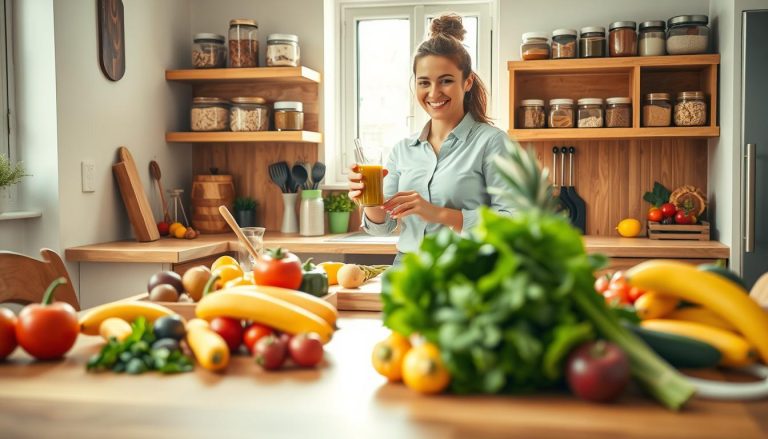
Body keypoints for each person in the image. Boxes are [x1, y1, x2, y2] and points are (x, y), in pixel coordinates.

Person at [347, 14, 515, 265]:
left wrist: (438, 214)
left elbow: (512, 221)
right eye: (424, 82)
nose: (434, 93)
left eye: (446, 81)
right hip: (408, 270)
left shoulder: (492, 143)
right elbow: (382, 227)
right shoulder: (402, 150)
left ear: (467, 82)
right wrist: (368, 199)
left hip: (466, 270)